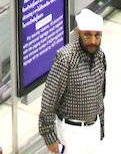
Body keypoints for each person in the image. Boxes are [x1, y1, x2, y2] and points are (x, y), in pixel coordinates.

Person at [39, 9, 107, 149]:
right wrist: (49, 137)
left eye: (97, 36)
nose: (93, 41)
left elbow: (100, 96)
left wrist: (101, 125)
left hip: (92, 129)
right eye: (87, 36)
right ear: (77, 33)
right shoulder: (65, 59)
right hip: (70, 132)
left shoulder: (100, 56)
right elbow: (49, 101)